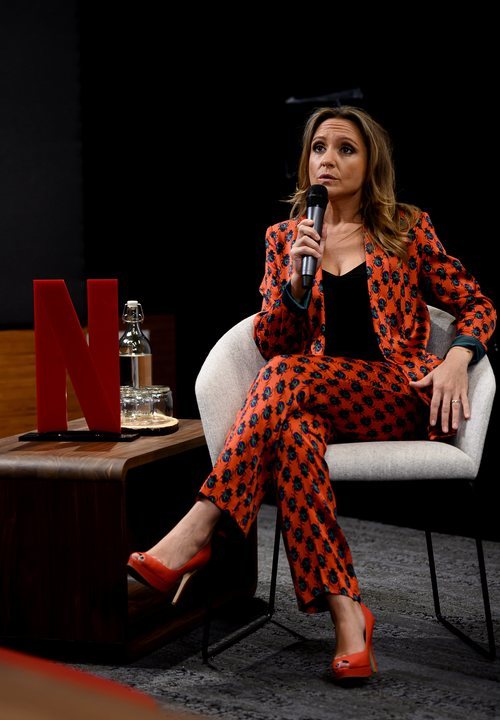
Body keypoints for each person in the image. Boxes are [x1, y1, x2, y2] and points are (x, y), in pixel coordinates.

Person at [127, 105, 496, 681]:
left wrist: (457, 357)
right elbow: (273, 341)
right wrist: (298, 282)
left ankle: (201, 523)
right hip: (314, 400)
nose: (329, 159)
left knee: (284, 378)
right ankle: (348, 616)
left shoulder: (406, 227)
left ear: (370, 163)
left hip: (397, 393)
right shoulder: (285, 238)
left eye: (346, 149)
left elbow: (477, 303)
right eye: (319, 147)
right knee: (295, 436)